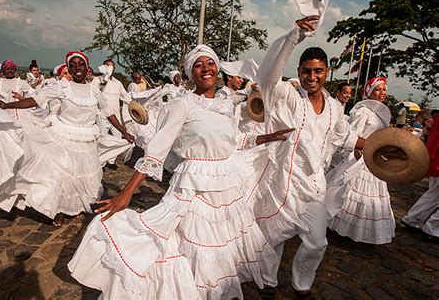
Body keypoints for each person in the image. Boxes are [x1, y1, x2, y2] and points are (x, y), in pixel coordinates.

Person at [68, 44, 297, 299]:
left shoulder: (225, 105)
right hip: (193, 187)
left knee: (221, 252)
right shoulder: (182, 105)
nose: (206, 68)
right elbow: (156, 151)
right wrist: (126, 194)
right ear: (190, 73)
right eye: (198, 65)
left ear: (217, 68)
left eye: (210, 63)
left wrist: (267, 138)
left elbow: (232, 143)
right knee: (191, 249)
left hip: (225, 189)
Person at [251, 13, 365, 297]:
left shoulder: (336, 108)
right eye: (306, 71)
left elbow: (344, 137)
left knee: (317, 242)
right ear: (299, 71)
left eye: (318, 71)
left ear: (327, 72)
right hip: (283, 184)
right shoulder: (289, 97)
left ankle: (302, 285)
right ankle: (267, 282)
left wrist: (374, 144)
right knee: (273, 237)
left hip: (314, 188)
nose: (311, 77)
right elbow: (267, 77)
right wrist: (294, 37)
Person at [0, 51, 135, 228]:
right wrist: (7, 105)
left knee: (84, 177)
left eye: (81, 64)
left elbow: (109, 113)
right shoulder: (62, 86)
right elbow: (34, 100)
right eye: (72, 65)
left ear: (87, 67)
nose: (77, 68)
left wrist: (125, 132)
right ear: (68, 68)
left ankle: (78, 206)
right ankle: (58, 211)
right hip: (63, 138)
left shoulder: (94, 89)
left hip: (87, 141)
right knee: (61, 176)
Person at [326, 77, 395, 244]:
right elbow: (353, 133)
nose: (381, 93)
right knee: (346, 189)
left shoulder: (381, 114)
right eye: (377, 90)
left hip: (372, 158)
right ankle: (331, 222)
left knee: (368, 194)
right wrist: (357, 150)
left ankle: (354, 230)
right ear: (369, 92)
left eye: (384, 90)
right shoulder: (364, 111)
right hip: (358, 156)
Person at [402, 109, 439, 242]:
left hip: (435, 158)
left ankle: (413, 219)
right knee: (435, 194)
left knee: (434, 194)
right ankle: (433, 229)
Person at [93, 59, 134, 169]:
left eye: (112, 67)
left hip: (116, 116)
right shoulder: (97, 80)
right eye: (108, 66)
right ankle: (100, 162)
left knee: (118, 137)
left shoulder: (118, 83)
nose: (110, 69)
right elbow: (96, 90)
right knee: (102, 139)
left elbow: (125, 96)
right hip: (102, 115)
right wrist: (105, 78)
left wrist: (133, 104)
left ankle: (111, 161)